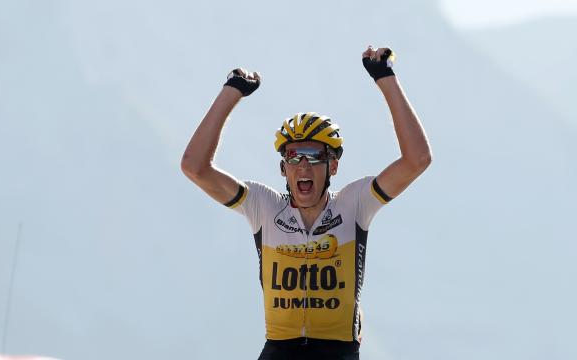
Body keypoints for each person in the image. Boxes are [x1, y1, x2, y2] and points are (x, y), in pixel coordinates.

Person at [181, 45, 432, 360]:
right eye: (292, 155)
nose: (303, 165)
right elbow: (194, 167)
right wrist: (232, 91)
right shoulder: (264, 207)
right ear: (283, 168)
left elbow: (417, 160)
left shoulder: (354, 204)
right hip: (279, 351)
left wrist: (385, 76)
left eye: (314, 156)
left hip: (336, 351)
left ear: (333, 167)